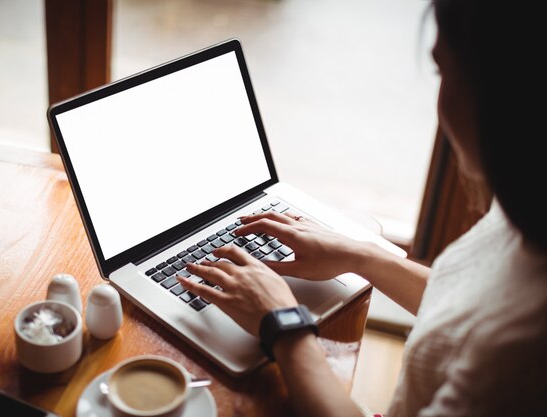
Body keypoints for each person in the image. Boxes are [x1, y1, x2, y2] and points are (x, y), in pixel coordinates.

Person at [178, 0, 547, 415]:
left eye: (444, 71)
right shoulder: (530, 210)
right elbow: (471, 299)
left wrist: (283, 324)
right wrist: (360, 255)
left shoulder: (516, 361)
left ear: (509, 96)